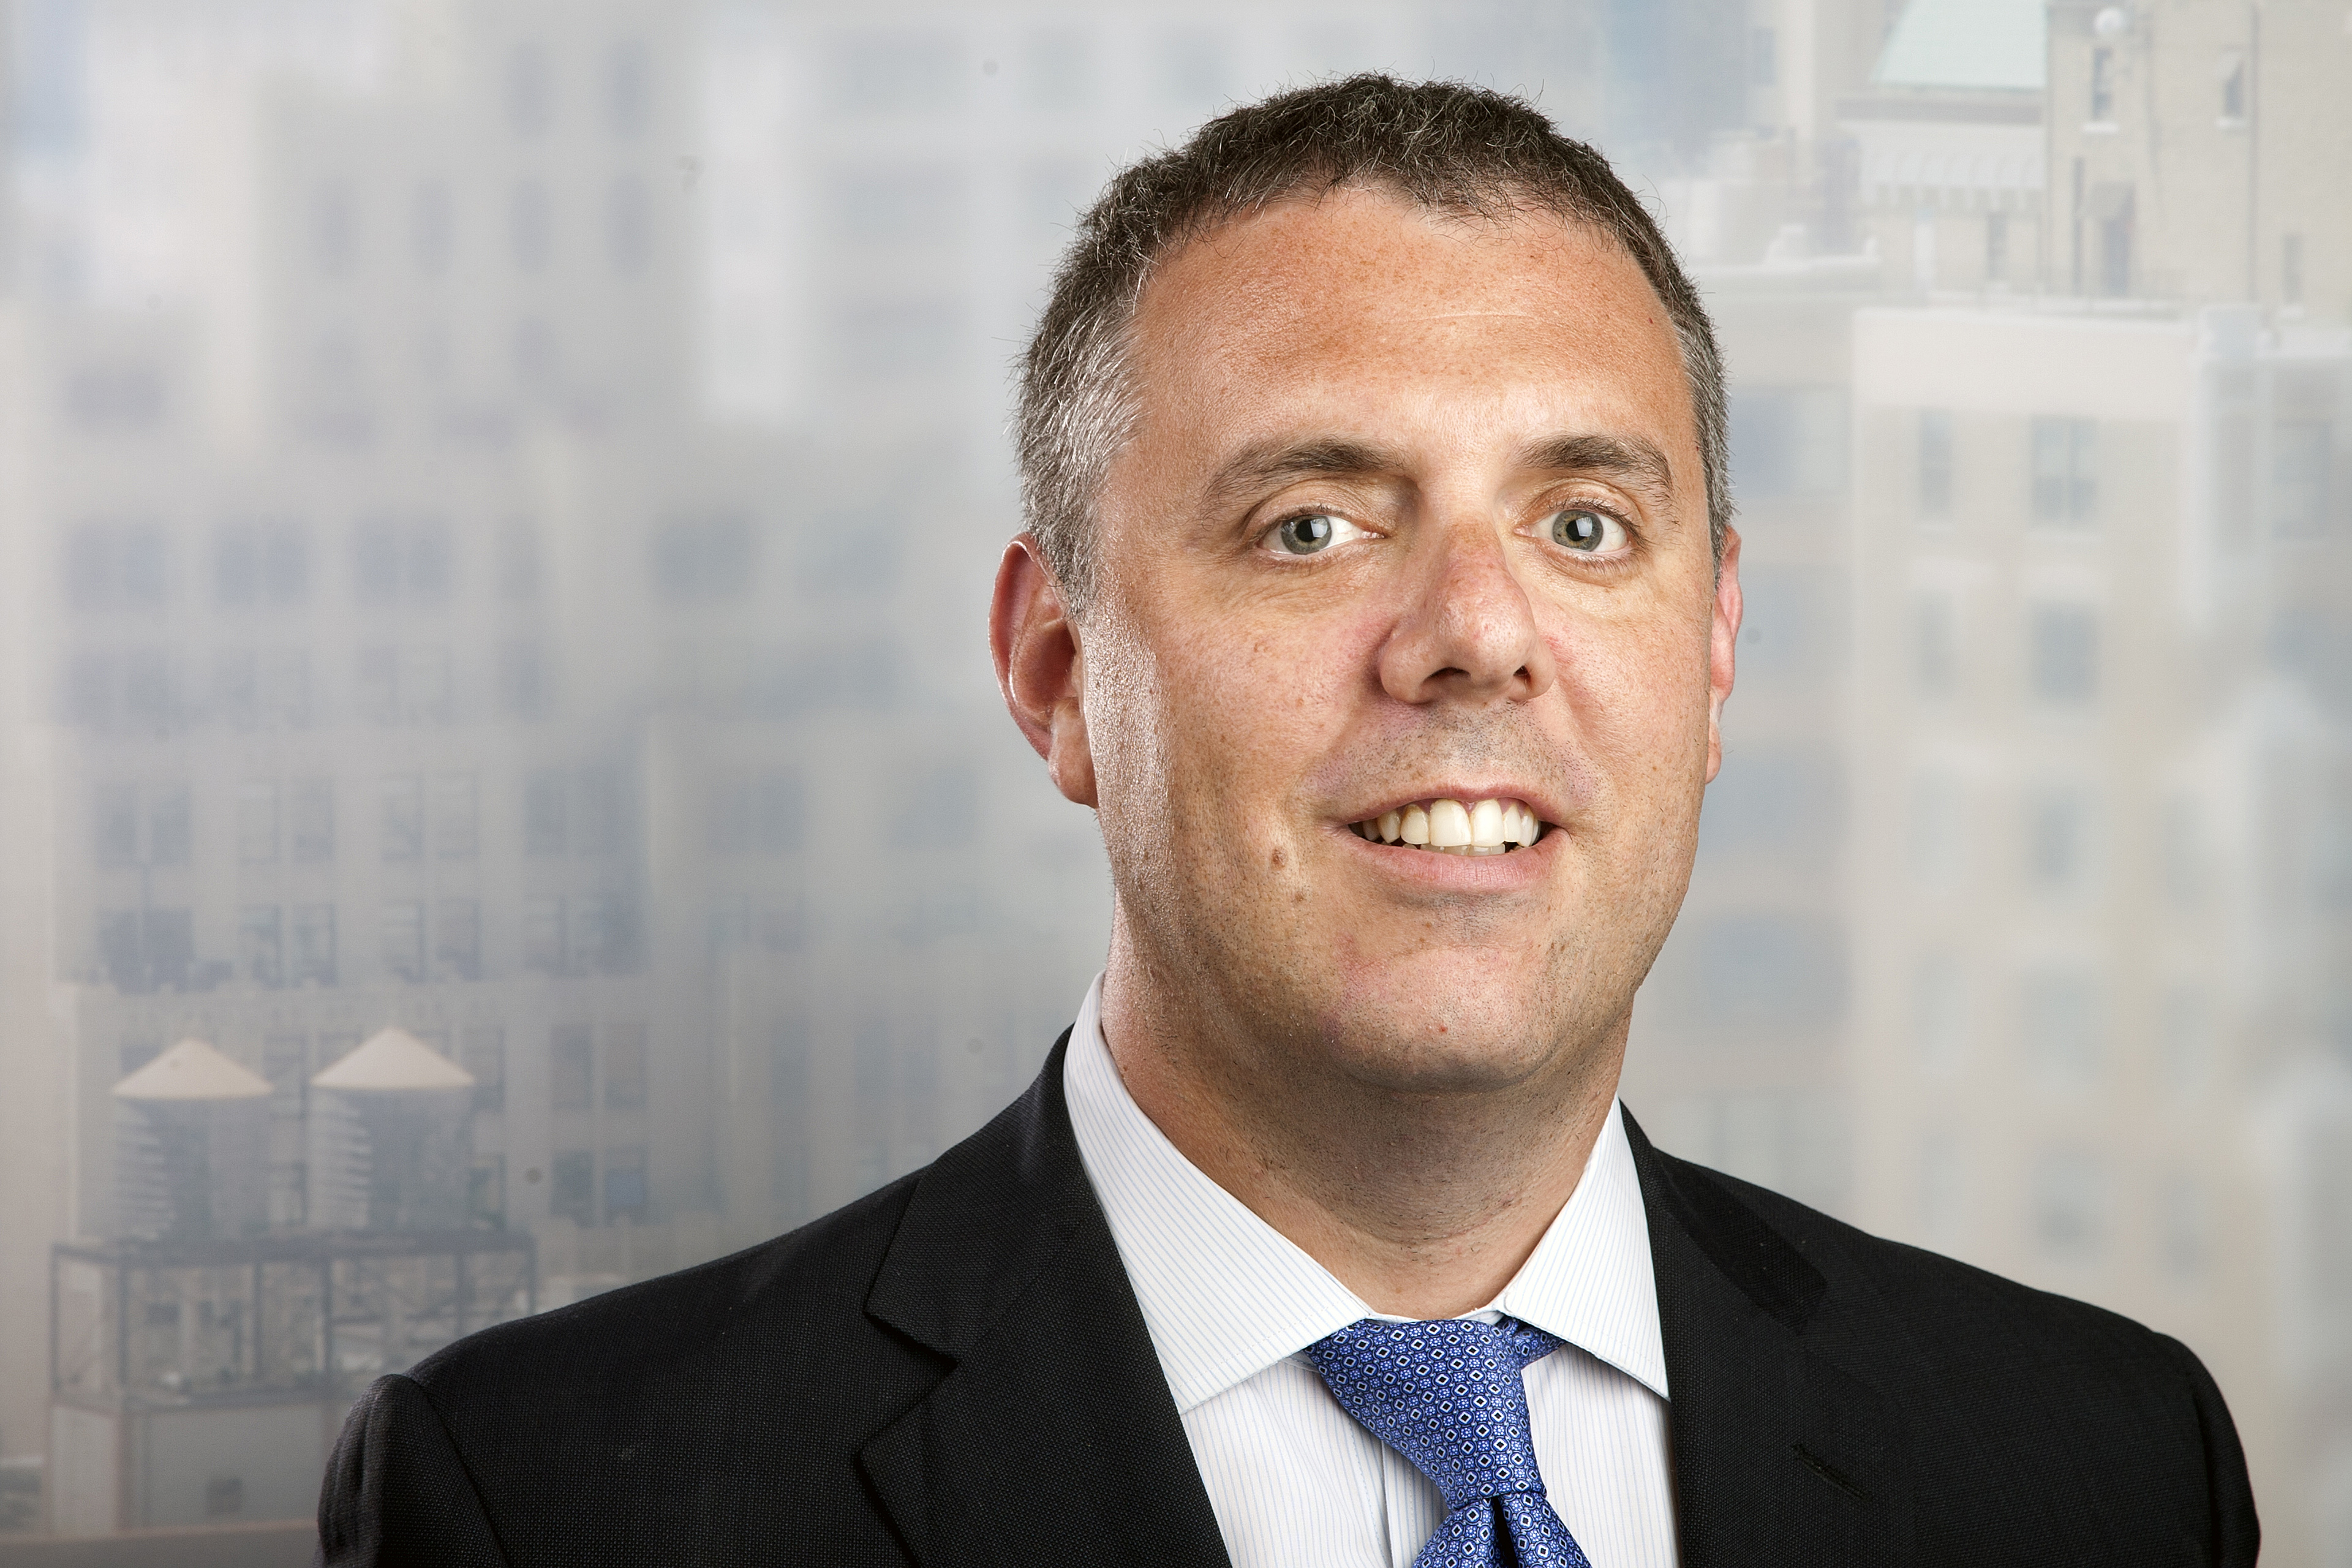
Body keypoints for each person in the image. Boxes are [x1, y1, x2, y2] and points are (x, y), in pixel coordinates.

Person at [316, 75, 2257, 1567]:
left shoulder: (2099, 1468)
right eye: (1312, 525)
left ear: (1718, 646)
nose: (1476, 634)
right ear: (1057, 672)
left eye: (1586, 526)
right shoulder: (551, 1507)